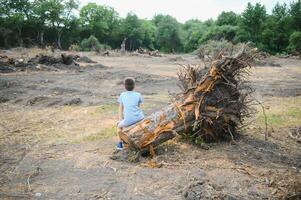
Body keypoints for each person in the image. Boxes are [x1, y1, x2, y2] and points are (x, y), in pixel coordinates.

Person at [116, 77, 144, 150]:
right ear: (134, 86)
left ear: (124, 86)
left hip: (128, 119)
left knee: (118, 126)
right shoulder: (138, 94)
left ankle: (120, 143)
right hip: (139, 118)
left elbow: (120, 108)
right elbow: (138, 107)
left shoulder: (122, 95)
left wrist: (120, 119)